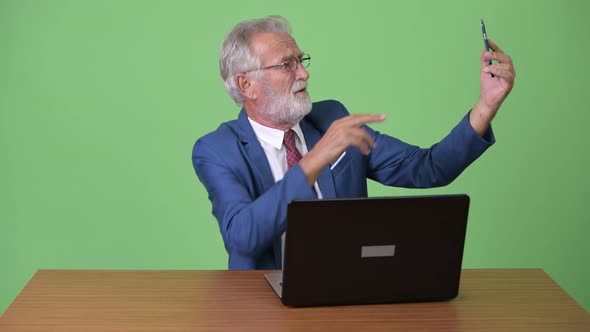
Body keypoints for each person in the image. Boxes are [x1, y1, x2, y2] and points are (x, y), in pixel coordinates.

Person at [192, 16, 515, 270]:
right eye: (286, 64)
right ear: (247, 84)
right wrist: (315, 159)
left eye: (301, 60)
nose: (303, 74)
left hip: (349, 287)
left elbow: (429, 168)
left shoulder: (331, 119)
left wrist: (486, 105)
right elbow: (242, 239)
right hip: (264, 299)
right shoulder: (217, 150)